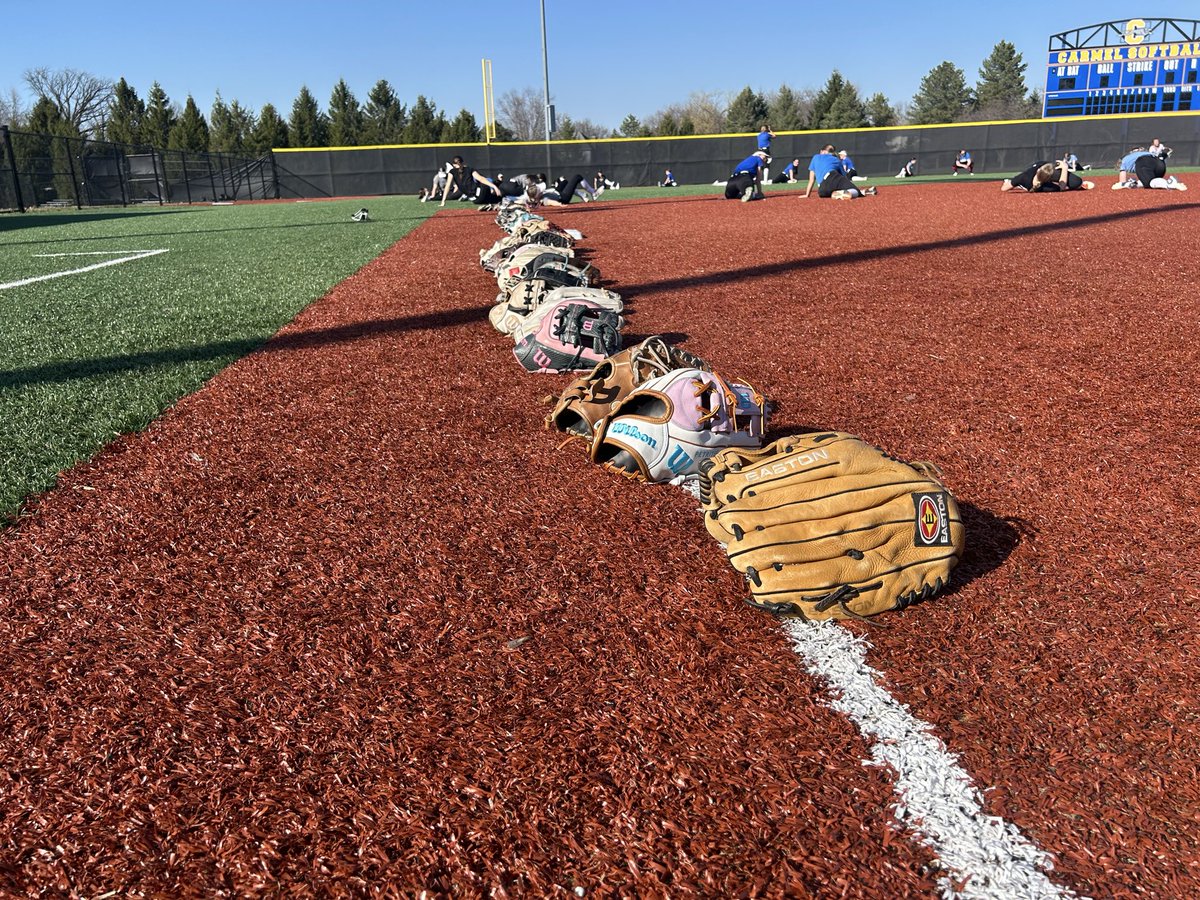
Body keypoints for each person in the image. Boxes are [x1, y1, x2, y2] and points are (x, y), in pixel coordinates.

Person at [802, 144, 878, 200]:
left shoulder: (816, 157)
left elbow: (811, 180)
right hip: (833, 177)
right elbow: (844, 178)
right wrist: (853, 187)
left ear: (822, 151)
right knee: (854, 191)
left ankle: (840, 193)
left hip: (822, 190)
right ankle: (852, 192)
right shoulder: (836, 160)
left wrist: (807, 195)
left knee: (834, 189)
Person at [1113, 146, 1188, 191]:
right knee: (1149, 181)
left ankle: (1170, 184)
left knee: (1149, 183)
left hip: (1143, 162)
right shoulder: (1147, 153)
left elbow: (1121, 181)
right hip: (1160, 165)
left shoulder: (1125, 160)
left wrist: (1121, 184)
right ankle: (1133, 183)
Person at [1000, 160, 1094, 192]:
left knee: (1044, 164)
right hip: (1043, 169)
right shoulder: (1047, 187)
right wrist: (1064, 168)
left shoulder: (1023, 177)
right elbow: (1062, 186)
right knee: (1077, 182)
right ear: (1050, 179)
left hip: (1032, 173)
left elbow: (1004, 189)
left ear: (1038, 170)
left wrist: (1013, 183)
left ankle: (1021, 187)